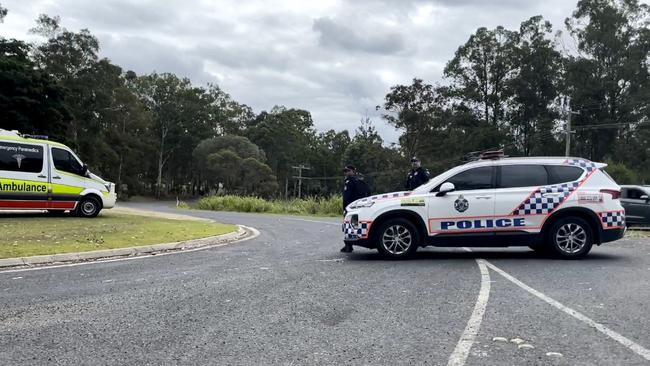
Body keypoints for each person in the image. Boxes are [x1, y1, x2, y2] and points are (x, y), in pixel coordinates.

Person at [341, 165, 370, 253]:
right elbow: (368, 192)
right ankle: (350, 244)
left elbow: (346, 196)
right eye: (345, 171)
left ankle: (348, 246)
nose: (346, 173)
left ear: (353, 171)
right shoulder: (360, 180)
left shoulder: (349, 181)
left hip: (351, 207)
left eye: (348, 171)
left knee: (348, 226)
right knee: (357, 226)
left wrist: (345, 208)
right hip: (360, 206)